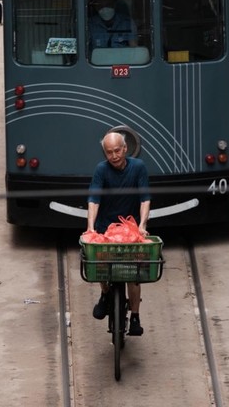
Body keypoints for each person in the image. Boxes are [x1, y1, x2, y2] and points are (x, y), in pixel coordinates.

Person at [87, 130, 151, 336]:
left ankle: (135, 317)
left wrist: (142, 224)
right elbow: (93, 200)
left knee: (134, 274)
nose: (114, 156)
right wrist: (90, 226)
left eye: (117, 150)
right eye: (109, 152)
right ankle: (105, 294)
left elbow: (144, 199)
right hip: (106, 228)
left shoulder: (138, 168)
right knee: (99, 264)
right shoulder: (101, 170)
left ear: (125, 149)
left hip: (131, 229)